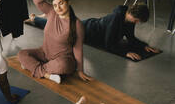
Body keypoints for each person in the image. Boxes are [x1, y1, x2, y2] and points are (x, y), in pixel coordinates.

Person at [29, 4, 161, 61]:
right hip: (85, 30)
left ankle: (50, 16)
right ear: (132, 15)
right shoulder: (116, 19)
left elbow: (131, 38)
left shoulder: (129, 20)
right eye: (137, 20)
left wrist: (144, 46)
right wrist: (125, 52)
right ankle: (35, 19)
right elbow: (108, 45)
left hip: (91, 25)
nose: (137, 23)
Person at [18, 0, 92, 84]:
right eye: (55, 5)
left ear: (68, 2)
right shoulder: (51, 12)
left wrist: (80, 70)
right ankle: (47, 74)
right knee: (22, 54)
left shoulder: (77, 24)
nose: (58, 8)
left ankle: (33, 67)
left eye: (61, 3)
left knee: (63, 65)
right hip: (44, 54)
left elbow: (77, 49)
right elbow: (36, 0)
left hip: (63, 59)